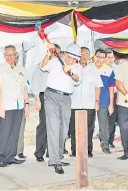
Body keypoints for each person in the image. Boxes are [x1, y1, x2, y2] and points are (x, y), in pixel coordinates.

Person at [40, 43, 82, 174]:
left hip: (66, 98)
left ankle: (58, 156)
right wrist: (48, 54)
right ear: (66, 54)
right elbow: (43, 67)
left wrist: (70, 72)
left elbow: (77, 79)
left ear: (77, 59)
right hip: (51, 95)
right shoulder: (55, 61)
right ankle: (55, 161)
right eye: (69, 57)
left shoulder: (78, 67)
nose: (70, 60)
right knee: (53, 127)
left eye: (74, 58)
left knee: (63, 130)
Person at [0, 45, 30, 167]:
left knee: (16, 132)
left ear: (16, 55)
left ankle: (11, 156)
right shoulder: (0, 69)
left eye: (12, 54)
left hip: (19, 105)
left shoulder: (22, 69)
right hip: (6, 105)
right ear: (4, 56)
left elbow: (24, 87)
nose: (10, 57)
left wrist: (27, 104)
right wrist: (0, 106)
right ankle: (0, 157)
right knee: (5, 132)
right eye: (7, 55)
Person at [69, 47, 102, 158]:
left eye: (86, 53)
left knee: (89, 128)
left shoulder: (93, 69)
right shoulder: (73, 67)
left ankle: (88, 149)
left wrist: (97, 101)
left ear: (89, 55)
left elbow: (98, 86)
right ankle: (75, 150)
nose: (84, 56)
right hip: (74, 103)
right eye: (81, 53)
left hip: (89, 103)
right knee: (74, 128)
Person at [31, 44, 61, 162]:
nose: (55, 55)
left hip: (57, 96)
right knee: (44, 124)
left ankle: (52, 152)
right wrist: (37, 99)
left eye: (57, 53)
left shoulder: (60, 66)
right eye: (53, 52)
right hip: (45, 96)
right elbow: (35, 83)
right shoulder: (41, 65)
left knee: (56, 125)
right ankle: (39, 152)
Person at [95, 48, 115, 154]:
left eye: (103, 57)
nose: (100, 59)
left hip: (103, 101)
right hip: (89, 101)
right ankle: (87, 146)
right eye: (98, 57)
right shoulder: (89, 68)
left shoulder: (109, 70)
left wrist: (111, 104)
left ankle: (105, 144)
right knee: (88, 124)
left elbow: (111, 88)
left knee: (104, 124)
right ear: (94, 56)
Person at [105, 49, 119, 148]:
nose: (110, 59)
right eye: (108, 57)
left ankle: (110, 140)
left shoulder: (117, 68)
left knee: (112, 119)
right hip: (103, 96)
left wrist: (118, 97)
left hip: (114, 96)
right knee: (104, 119)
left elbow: (119, 84)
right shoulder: (101, 68)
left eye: (111, 57)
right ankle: (104, 140)